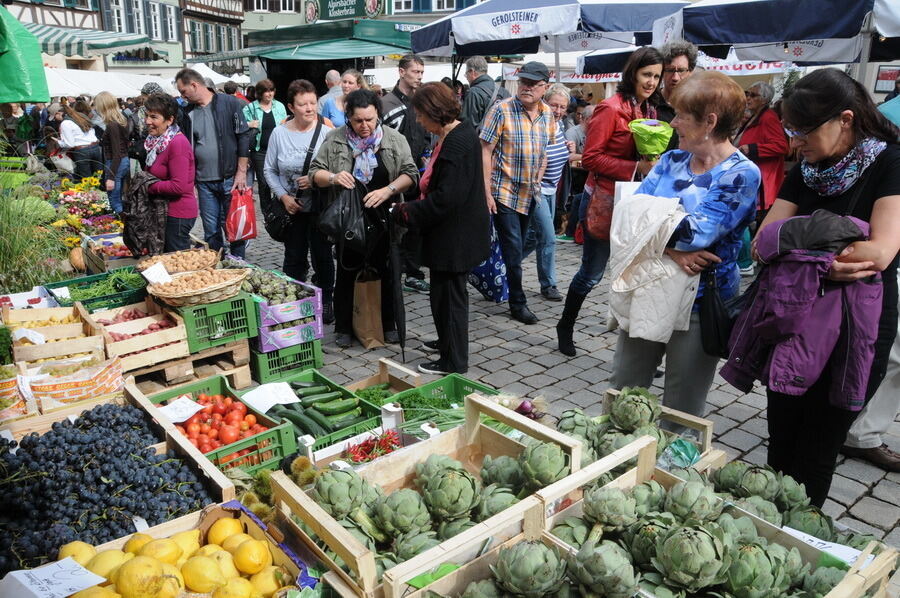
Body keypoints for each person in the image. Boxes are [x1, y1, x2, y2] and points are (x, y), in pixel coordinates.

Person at [755, 68, 900, 499]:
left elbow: (878, 252)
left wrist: (796, 243)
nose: (794, 143)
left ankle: (800, 535)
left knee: (818, 449)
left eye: (803, 131)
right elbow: (762, 243)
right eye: (790, 130)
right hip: (794, 317)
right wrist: (825, 254)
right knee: (780, 443)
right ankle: (769, 533)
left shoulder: (891, 162)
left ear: (846, 119)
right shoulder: (807, 170)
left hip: (858, 328)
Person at [610, 70, 760, 420]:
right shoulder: (671, 160)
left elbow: (697, 233)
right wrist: (671, 250)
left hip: (701, 302)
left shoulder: (741, 174)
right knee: (624, 386)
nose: (673, 122)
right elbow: (628, 214)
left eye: (681, 115)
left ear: (709, 121)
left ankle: (672, 471)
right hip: (650, 288)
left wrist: (656, 233)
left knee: (682, 406)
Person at [556, 47, 664, 356]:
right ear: (632, 74)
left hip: (635, 200)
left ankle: (637, 351)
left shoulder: (648, 109)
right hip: (604, 199)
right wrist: (636, 167)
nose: (652, 82)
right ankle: (565, 325)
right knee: (592, 273)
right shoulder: (610, 107)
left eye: (656, 76)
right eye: (647, 75)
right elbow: (590, 158)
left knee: (637, 277)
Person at [309, 89, 418, 349]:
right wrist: (334, 177)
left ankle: (388, 323)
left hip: (385, 218)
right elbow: (315, 173)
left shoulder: (393, 139)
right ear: (348, 117)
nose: (365, 126)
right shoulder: (335, 139)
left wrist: (388, 190)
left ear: (378, 114)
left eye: (370, 119)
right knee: (348, 271)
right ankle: (344, 327)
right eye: (358, 120)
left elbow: (410, 174)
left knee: (387, 269)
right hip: (349, 219)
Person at [393, 82, 490, 375]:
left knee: (449, 300)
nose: (419, 121)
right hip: (451, 234)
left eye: (422, 115)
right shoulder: (454, 135)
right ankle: (447, 342)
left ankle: (453, 361)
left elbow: (447, 198)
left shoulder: (458, 141)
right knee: (443, 297)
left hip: (455, 238)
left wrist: (407, 211)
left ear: (436, 112)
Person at [481, 61, 557, 325]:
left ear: (544, 88)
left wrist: (538, 176)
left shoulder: (548, 114)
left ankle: (497, 273)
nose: (526, 87)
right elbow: (486, 151)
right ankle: (517, 302)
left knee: (525, 242)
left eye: (533, 84)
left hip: (530, 193)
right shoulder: (501, 110)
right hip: (504, 191)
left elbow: (545, 150)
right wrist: (487, 192)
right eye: (523, 82)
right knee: (513, 249)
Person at [264, 79, 335, 324]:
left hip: (320, 206)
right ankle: (294, 300)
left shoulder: (327, 133)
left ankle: (326, 300)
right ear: (291, 107)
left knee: (323, 255)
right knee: (293, 257)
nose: (309, 108)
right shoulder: (279, 134)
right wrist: (283, 197)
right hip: (291, 208)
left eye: (313, 103)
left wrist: (316, 180)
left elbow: (336, 169)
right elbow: (269, 170)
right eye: (303, 104)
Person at [175, 68, 252, 258]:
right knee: (210, 230)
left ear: (194, 85)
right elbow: (187, 147)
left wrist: (241, 172)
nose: (182, 96)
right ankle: (218, 265)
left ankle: (238, 264)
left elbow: (243, 137)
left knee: (234, 228)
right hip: (203, 181)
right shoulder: (187, 113)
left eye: (183, 91)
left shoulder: (230, 103)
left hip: (230, 178)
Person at [380, 54, 431, 295]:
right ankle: (394, 270)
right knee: (394, 225)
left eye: (422, 72)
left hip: (416, 174)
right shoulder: (387, 103)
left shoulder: (420, 102)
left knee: (415, 226)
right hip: (392, 176)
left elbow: (424, 134)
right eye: (416, 72)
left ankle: (412, 272)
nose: (420, 76)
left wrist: (425, 156)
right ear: (402, 72)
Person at [523, 84, 573, 302]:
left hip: (552, 189)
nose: (559, 110)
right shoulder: (538, 123)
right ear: (545, 102)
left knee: (535, 237)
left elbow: (559, 155)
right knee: (549, 237)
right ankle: (548, 284)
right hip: (536, 188)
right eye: (554, 105)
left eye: (563, 107)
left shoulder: (559, 125)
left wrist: (569, 147)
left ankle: (505, 263)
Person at [143, 93, 197, 252]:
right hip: (165, 212)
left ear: (170, 120)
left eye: (154, 117)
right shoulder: (157, 141)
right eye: (147, 116)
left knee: (176, 267)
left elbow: (178, 186)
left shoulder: (177, 143)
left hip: (177, 214)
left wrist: (148, 186)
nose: (148, 121)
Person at [735, 82, 789, 223]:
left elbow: (781, 146)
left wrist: (751, 149)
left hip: (762, 183)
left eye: (753, 95)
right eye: (747, 94)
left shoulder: (768, 117)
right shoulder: (756, 116)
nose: (748, 98)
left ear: (764, 99)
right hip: (753, 179)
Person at [243, 78, 287, 216]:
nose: (269, 94)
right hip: (259, 151)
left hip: (278, 149)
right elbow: (239, 127)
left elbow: (286, 125)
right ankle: (267, 212)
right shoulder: (250, 108)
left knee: (281, 180)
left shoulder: (279, 106)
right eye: (266, 91)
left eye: (271, 91)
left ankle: (281, 209)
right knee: (264, 182)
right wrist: (249, 124)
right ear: (260, 93)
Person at [558, 103, 595, 243]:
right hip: (573, 175)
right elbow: (568, 157)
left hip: (588, 175)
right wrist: (590, 157)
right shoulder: (573, 132)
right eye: (595, 118)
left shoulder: (597, 132)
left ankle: (575, 231)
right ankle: (571, 231)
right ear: (585, 119)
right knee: (579, 197)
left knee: (582, 197)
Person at [657, 39, 698, 151]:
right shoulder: (650, 104)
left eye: (681, 70)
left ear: (690, 72)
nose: (675, 77)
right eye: (670, 70)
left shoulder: (697, 106)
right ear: (662, 71)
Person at [94, 92, 130, 215]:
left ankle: (125, 227)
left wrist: (110, 177)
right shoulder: (120, 121)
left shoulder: (112, 125)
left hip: (116, 163)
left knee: (114, 201)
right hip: (122, 161)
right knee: (118, 198)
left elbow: (116, 154)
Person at [460, 56, 510, 128]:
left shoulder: (473, 92)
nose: (466, 76)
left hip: (481, 138)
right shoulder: (504, 91)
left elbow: (468, 126)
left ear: (472, 72)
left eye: (466, 73)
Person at [58, 100, 102, 182]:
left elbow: (70, 144)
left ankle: (93, 194)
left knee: (87, 180)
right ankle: (102, 193)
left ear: (59, 113)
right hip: (95, 147)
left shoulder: (66, 123)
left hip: (82, 151)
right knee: (98, 176)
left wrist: (59, 142)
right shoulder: (81, 118)